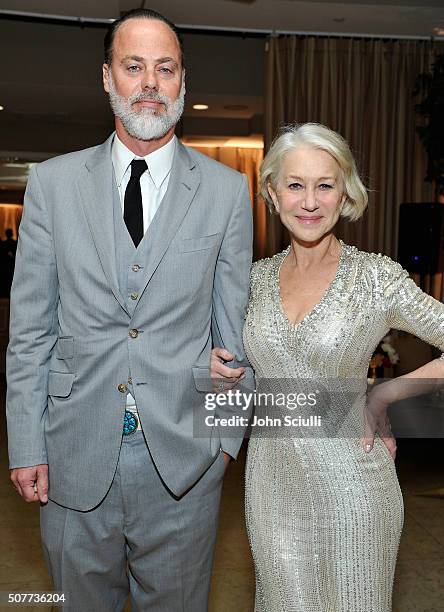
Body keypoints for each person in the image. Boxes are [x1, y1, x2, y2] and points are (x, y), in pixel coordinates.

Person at [7, 8, 252, 611]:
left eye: (165, 69)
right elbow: (31, 330)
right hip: (71, 452)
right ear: (107, 78)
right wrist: (25, 445)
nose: (150, 82)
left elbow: (235, 330)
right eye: (134, 66)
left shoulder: (225, 192)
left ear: (183, 82)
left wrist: (224, 442)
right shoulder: (52, 185)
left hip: (185, 462)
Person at [211, 123, 444, 611]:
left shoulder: (377, 278)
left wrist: (385, 395)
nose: (309, 201)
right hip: (272, 491)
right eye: (295, 185)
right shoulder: (249, 282)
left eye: (325, 185)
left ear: (346, 194)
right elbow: (228, 378)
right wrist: (216, 371)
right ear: (272, 194)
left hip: (356, 490)